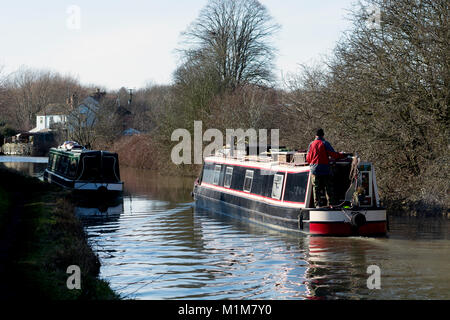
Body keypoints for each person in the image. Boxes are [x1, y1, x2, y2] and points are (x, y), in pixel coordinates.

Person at [306, 128, 345, 208]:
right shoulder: (325, 143)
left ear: (315, 135)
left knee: (316, 188)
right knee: (328, 187)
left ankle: (317, 205)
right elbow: (333, 154)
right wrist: (342, 155)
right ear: (323, 135)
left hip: (314, 170)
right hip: (325, 169)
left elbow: (308, 158)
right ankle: (331, 204)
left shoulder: (311, 144)